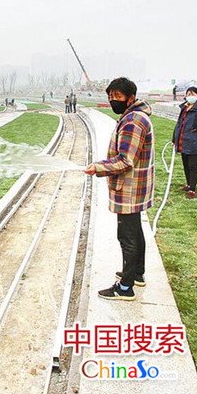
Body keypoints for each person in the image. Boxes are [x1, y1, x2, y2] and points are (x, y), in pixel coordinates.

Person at [84, 77, 154, 301]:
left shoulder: (133, 121)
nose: (113, 101)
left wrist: (98, 167)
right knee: (135, 231)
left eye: (118, 97)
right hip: (135, 186)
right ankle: (136, 273)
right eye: (110, 96)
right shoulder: (133, 116)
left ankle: (125, 287)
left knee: (127, 236)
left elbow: (125, 161)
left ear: (130, 98)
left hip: (130, 188)